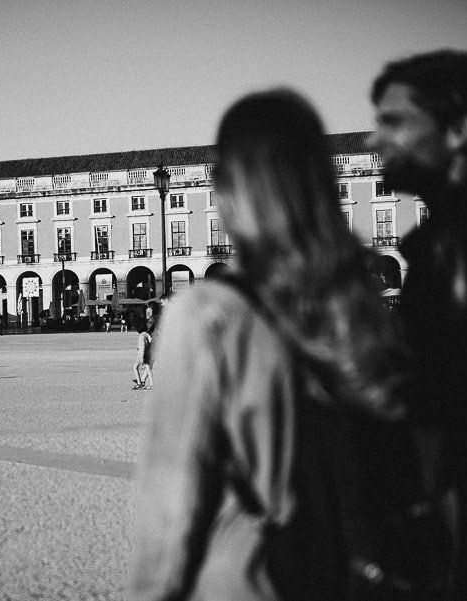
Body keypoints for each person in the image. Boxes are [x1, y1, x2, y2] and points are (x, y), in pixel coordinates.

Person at [131, 89, 412, 600]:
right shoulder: (365, 306)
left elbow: (173, 499)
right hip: (355, 576)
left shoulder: (208, 315)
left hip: (255, 580)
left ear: (230, 190)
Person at [368, 49, 467, 600]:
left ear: (459, 130)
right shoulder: (443, 244)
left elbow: (443, 421)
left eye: (394, 122)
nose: (375, 140)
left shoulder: (456, 251)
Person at [131, 325, 153, 390]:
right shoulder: (147, 334)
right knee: (148, 368)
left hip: (142, 354)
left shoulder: (142, 336)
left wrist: (142, 357)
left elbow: (143, 347)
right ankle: (142, 381)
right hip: (149, 353)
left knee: (135, 367)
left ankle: (139, 383)